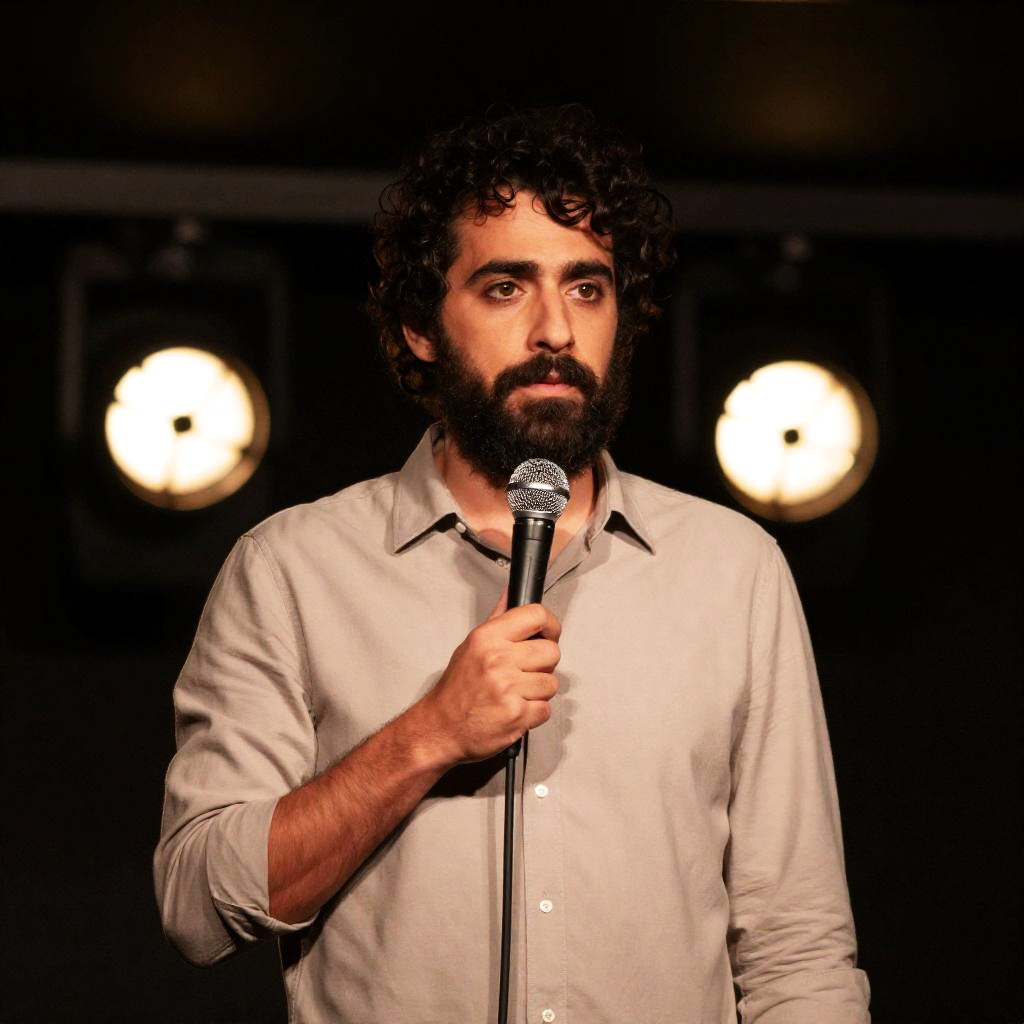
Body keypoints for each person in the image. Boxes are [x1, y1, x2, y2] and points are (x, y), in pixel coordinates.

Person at [155, 105, 871, 1023]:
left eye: (587, 288)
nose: (555, 331)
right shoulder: (292, 569)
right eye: (505, 287)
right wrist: (428, 734)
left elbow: (797, 945)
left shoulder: (733, 571)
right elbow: (197, 905)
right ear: (421, 325)